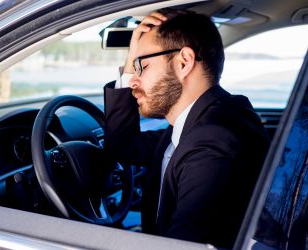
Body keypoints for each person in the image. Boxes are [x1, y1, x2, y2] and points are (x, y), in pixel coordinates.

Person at [103, 9, 270, 248]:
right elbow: (123, 146)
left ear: (184, 62)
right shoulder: (201, 121)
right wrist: (133, 59)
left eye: (143, 66)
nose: (132, 80)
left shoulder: (213, 141)